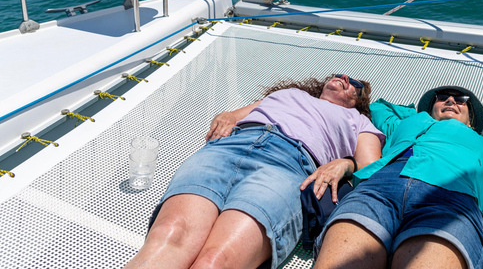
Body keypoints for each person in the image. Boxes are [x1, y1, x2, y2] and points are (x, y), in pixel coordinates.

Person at [125, 74, 384, 269]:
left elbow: (372, 167)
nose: (344, 78)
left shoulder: (360, 121)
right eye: (339, 75)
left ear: (358, 102)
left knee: (216, 260)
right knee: (171, 231)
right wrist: (225, 116)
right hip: (229, 147)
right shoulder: (290, 94)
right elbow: (232, 115)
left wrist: (346, 164)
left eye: (354, 84)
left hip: (288, 164)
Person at [313, 85, 483, 269]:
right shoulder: (403, 125)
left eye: (461, 101)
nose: (451, 100)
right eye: (442, 98)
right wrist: (419, 115)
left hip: (449, 201)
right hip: (378, 189)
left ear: (472, 120)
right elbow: (378, 107)